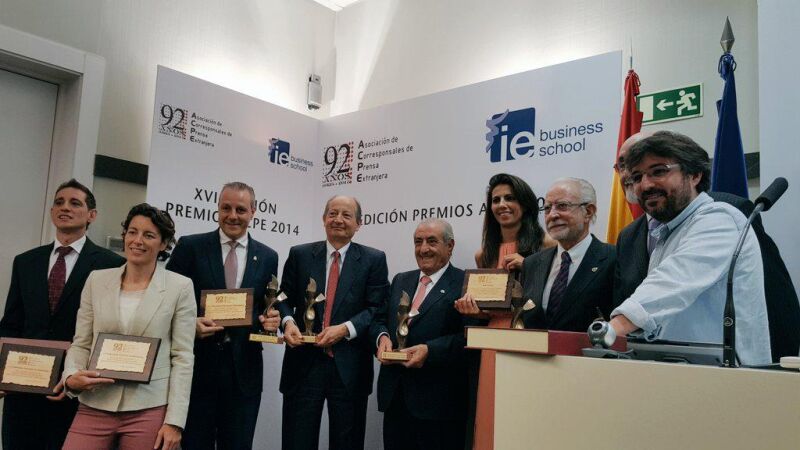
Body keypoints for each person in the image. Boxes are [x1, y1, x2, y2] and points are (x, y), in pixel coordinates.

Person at [614, 131, 800, 361]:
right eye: (637, 177)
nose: (645, 185)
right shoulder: (666, 232)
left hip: (729, 374)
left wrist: (612, 329)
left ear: (694, 175)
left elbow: (674, 280)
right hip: (677, 369)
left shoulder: (720, 219)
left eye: (659, 171)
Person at [0, 179, 125, 450]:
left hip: (76, 392)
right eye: (59, 202)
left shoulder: (112, 264)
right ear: (51, 211)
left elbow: (110, 329)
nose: (65, 208)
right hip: (23, 390)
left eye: (74, 203)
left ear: (92, 215)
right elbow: (10, 324)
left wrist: (75, 377)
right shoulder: (25, 261)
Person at [61, 203, 196, 449]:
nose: (137, 241)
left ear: (164, 244)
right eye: (132, 232)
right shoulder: (96, 280)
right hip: (95, 402)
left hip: (149, 407)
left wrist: (175, 422)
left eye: (149, 235)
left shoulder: (180, 287)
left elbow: (182, 357)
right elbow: (81, 343)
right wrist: (71, 376)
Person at [165, 181, 280, 450]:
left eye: (241, 209)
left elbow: (268, 303)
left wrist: (271, 320)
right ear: (217, 208)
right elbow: (166, 299)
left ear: (253, 212)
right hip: (197, 370)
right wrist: (189, 324)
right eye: (226, 208)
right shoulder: (190, 246)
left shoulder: (268, 256)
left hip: (244, 374)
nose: (232, 216)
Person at [277, 195, 389, 450]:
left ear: (359, 224)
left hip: (350, 368)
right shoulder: (300, 254)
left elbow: (377, 308)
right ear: (324, 218)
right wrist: (288, 322)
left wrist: (346, 329)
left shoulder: (374, 260)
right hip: (303, 366)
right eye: (333, 213)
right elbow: (282, 297)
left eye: (346, 215)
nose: (338, 219)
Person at [454, 173, 549, 450]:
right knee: (489, 409)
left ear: (525, 204)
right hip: (492, 340)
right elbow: (491, 308)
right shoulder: (483, 254)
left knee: (523, 413)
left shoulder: (547, 246)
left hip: (529, 338)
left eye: (510, 198)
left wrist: (530, 264)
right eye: (496, 200)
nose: (502, 204)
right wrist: (474, 311)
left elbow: (551, 299)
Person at [371, 219, 467, 450]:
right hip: (396, 399)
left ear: (450, 246)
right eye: (418, 242)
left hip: (438, 405)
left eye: (432, 241)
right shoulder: (401, 279)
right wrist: (382, 338)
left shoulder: (465, 283)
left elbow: (468, 337)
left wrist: (430, 351)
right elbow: (379, 320)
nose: (423, 249)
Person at [521, 178, 614, 331]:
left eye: (562, 206)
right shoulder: (531, 264)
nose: (552, 215)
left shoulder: (613, 259)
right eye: (547, 208)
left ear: (588, 212)